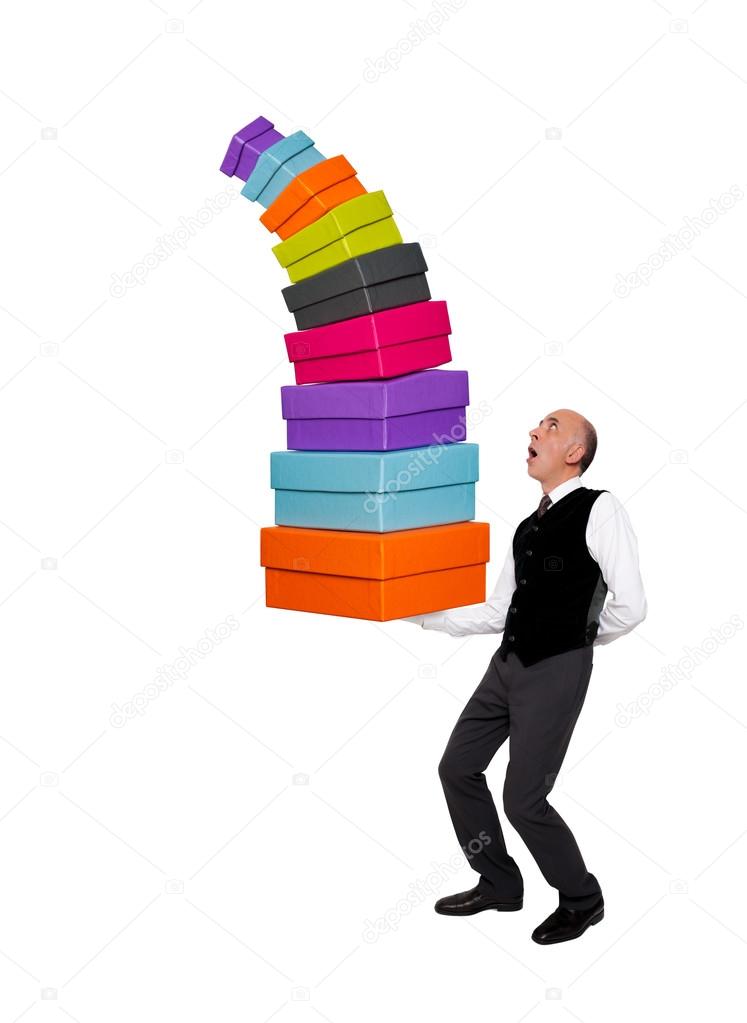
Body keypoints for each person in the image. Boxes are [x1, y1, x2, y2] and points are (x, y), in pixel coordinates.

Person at [404, 410, 647, 944]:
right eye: (537, 426)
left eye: (551, 427)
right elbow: (498, 610)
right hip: (506, 664)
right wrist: (418, 613)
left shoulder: (599, 507)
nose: (534, 433)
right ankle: (498, 882)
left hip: (556, 670)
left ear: (575, 453)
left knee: (524, 800)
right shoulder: (526, 527)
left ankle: (582, 898)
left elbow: (631, 607)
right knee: (457, 767)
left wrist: (574, 642)